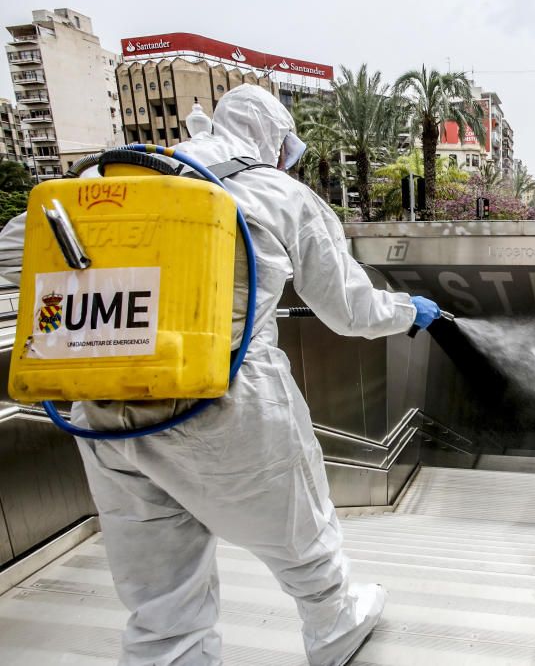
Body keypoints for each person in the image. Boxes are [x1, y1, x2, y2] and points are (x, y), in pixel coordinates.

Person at [0, 83, 441, 666]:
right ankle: (333, 625)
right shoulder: (277, 192)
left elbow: (14, 251)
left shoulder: (113, 179)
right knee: (301, 530)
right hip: (226, 402)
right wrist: (411, 311)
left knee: (159, 594)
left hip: (104, 409)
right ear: (274, 140)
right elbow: (350, 310)